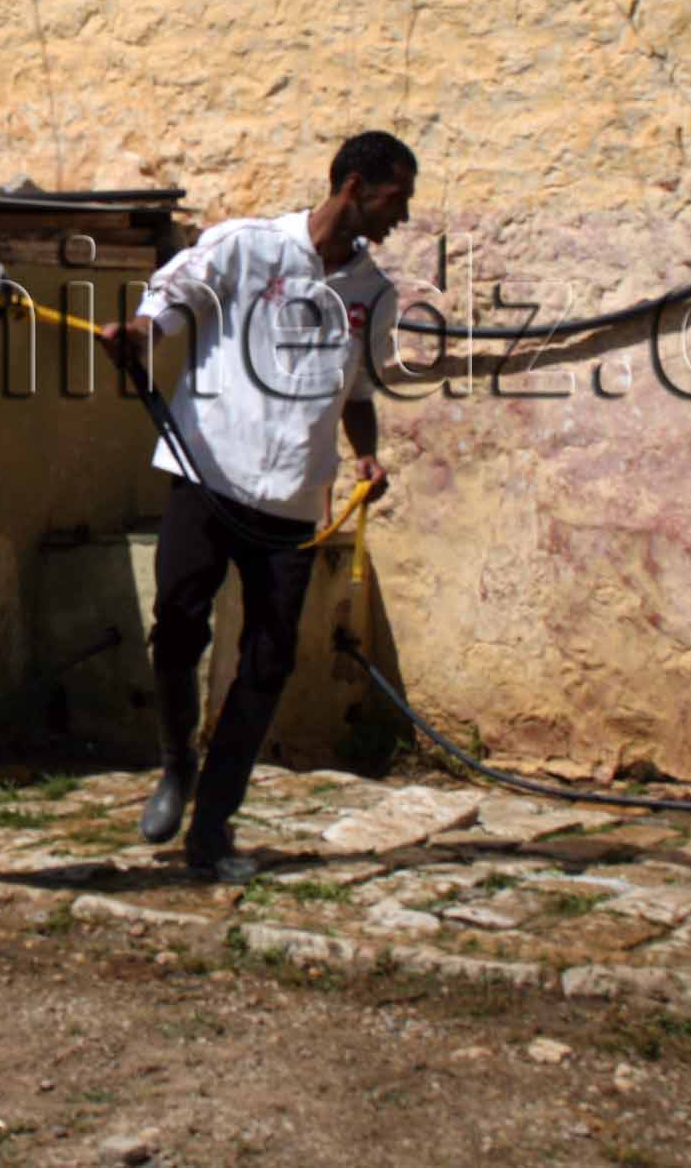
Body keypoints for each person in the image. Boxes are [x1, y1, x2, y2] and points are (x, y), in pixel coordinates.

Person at [99, 131, 416, 881]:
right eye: (396, 198)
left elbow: (360, 388)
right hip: (208, 470)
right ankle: (177, 761)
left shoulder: (374, 293)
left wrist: (365, 451)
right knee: (176, 625)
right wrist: (139, 336)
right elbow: (167, 303)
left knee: (267, 665)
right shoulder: (244, 247)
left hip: (295, 499)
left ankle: (212, 824)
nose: (402, 216)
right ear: (354, 186)